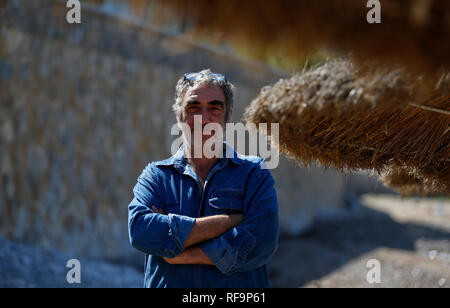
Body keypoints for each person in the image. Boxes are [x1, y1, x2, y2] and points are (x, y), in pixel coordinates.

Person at [128, 69, 279, 288]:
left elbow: (261, 241)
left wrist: (179, 252)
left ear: (227, 117)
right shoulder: (156, 176)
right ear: (179, 114)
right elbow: (140, 231)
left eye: (215, 108)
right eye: (193, 107)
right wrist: (229, 222)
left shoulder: (254, 173)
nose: (204, 118)